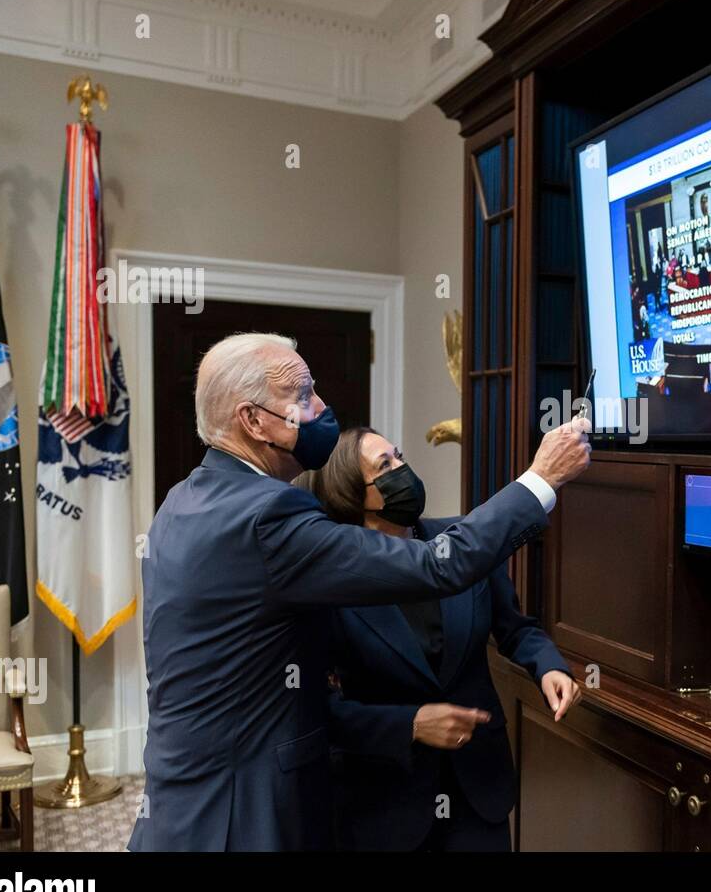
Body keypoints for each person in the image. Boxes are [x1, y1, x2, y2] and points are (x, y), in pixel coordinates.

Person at [127, 332, 590, 851]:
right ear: (252, 420)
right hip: (244, 811)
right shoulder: (268, 515)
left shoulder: (181, 501)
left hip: (184, 801)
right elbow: (443, 566)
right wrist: (540, 478)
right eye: (302, 396)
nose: (322, 407)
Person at [297, 428, 579, 851]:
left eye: (400, 455)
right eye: (385, 467)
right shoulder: (338, 583)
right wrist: (409, 724)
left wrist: (549, 665)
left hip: (478, 790)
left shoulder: (461, 541)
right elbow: (319, 710)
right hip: (387, 803)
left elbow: (516, 627)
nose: (403, 471)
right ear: (353, 495)